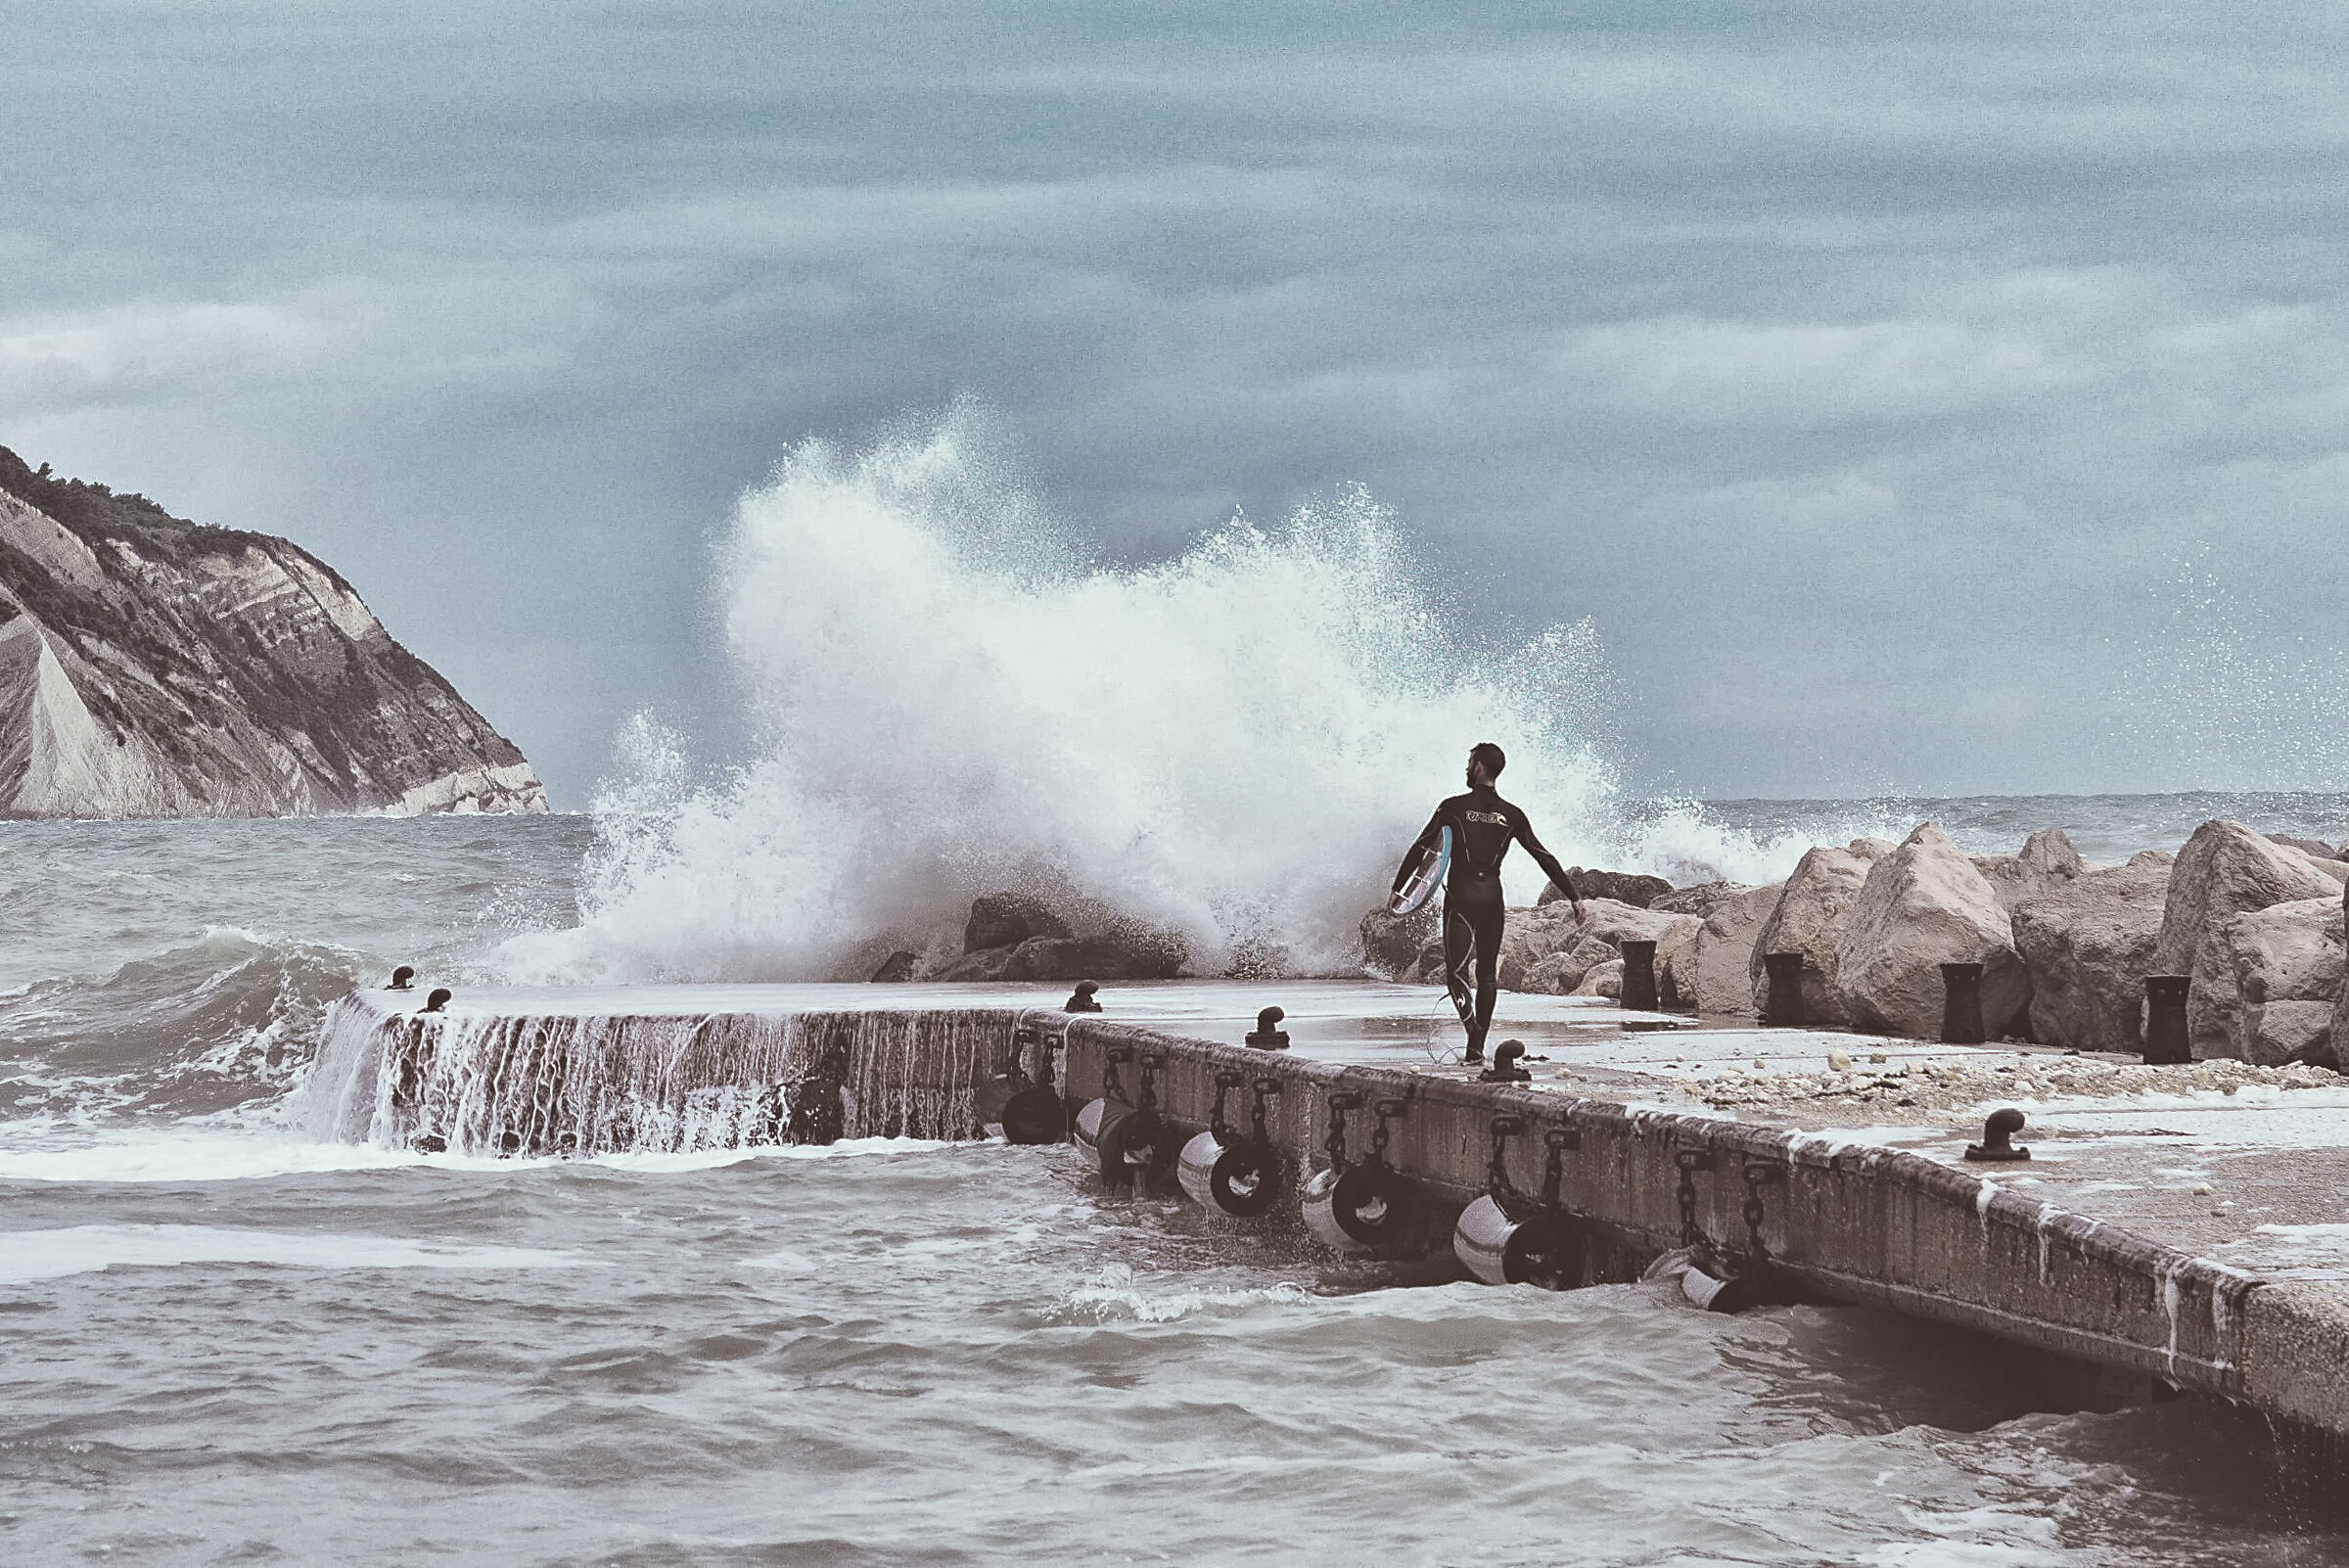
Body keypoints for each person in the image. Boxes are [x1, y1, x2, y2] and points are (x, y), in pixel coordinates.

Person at [1389, 743, 1585, 1065]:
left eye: (1469, 762)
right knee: (1488, 976)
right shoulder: (1512, 814)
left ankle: (1474, 1035)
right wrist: (1573, 896)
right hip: (1493, 899)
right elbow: (1543, 856)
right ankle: (1476, 1045)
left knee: (1456, 974)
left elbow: (1422, 848)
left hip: (1462, 899)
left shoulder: (1452, 807)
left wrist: (1400, 890)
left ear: (1479, 765)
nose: (1467, 768)